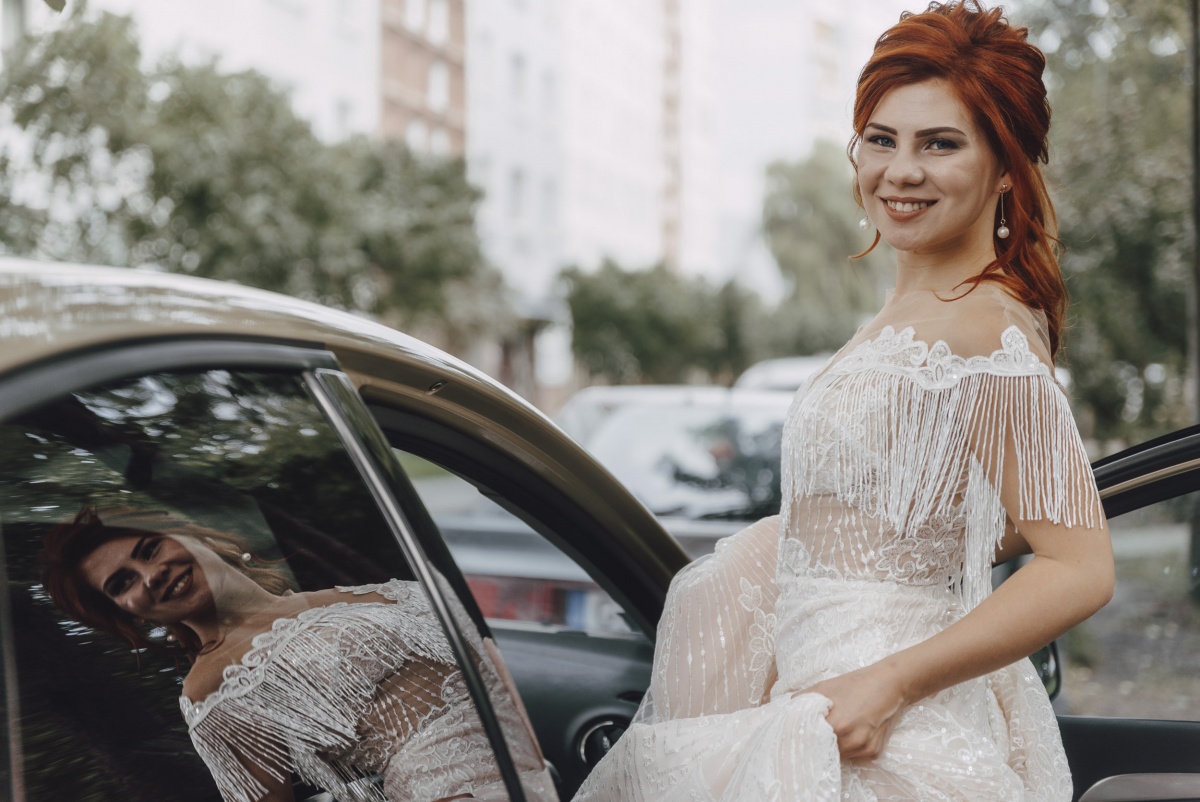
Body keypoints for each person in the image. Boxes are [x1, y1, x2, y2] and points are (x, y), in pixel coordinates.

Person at [572, 3, 1112, 800]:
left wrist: (891, 683)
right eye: (881, 140)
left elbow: (1078, 566)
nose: (900, 171)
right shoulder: (911, 312)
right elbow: (948, 520)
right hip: (817, 702)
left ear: (1006, 167)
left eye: (940, 144)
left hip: (887, 727)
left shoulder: (983, 329)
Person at [41, 507, 555, 802]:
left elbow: (488, 669)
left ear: (189, 535)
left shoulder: (345, 594)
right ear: (126, 613)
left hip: (537, 780)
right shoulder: (213, 690)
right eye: (123, 583)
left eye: (150, 549)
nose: (151, 575)